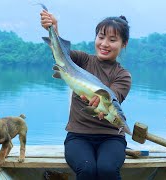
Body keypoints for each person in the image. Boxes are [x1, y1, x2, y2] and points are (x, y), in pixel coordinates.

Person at [40, 9, 132, 180]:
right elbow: (61, 55)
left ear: (123, 44)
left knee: (107, 169)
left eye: (112, 40)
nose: (104, 44)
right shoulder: (82, 60)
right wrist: (53, 28)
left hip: (111, 137)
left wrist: (100, 101)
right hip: (78, 136)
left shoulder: (122, 75)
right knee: (87, 169)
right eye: (101, 37)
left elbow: (113, 98)